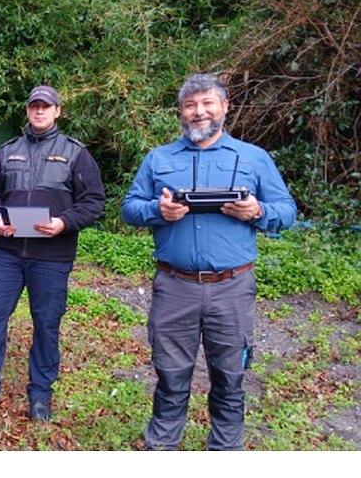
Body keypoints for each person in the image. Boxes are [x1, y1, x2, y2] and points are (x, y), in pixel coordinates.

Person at [122, 73, 297, 450]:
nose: (198, 112)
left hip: (232, 288)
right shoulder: (159, 159)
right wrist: (157, 211)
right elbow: (129, 208)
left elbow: (287, 211)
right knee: (170, 375)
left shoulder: (253, 158)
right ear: (181, 112)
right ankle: (161, 449)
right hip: (174, 287)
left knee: (230, 377)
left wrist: (257, 211)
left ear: (225, 107)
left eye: (207, 103)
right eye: (190, 105)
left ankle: (225, 452)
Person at [0, 85, 106, 421]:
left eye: (46, 106)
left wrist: (64, 222)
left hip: (52, 256)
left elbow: (93, 201)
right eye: (34, 106)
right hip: (7, 254)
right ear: (28, 110)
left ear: (57, 111)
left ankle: (40, 395)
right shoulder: (9, 151)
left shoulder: (75, 153)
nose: (39, 111)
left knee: (46, 324)